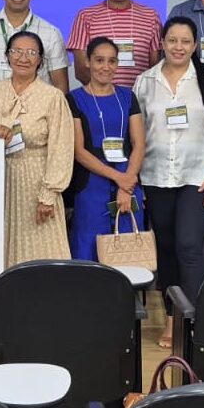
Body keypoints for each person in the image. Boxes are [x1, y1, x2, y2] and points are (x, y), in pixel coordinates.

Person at [133, 16, 204, 349]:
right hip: (155, 176)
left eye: (185, 41)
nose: (178, 47)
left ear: (195, 45)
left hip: (197, 175)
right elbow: (138, 133)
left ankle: (194, 322)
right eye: (172, 40)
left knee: (189, 247)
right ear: (162, 43)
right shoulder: (145, 82)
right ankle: (171, 321)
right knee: (167, 251)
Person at [0, 31, 74, 267]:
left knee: (41, 252)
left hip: (37, 181)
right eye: (17, 51)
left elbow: (61, 148)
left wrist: (49, 194)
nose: (23, 58)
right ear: (7, 56)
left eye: (31, 52)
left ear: (40, 60)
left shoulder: (52, 97)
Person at [67, 37, 146, 260]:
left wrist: (127, 183)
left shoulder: (128, 97)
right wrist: (117, 178)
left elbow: (139, 143)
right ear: (87, 63)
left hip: (129, 181)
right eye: (99, 60)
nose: (106, 67)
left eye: (112, 61)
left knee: (129, 247)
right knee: (88, 246)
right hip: (90, 184)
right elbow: (78, 150)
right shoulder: (74, 99)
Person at [68, 0, 162, 88]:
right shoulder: (85, 16)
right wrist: (108, 95)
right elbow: (81, 70)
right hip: (99, 101)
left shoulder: (151, 16)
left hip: (140, 102)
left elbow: (155, 68)